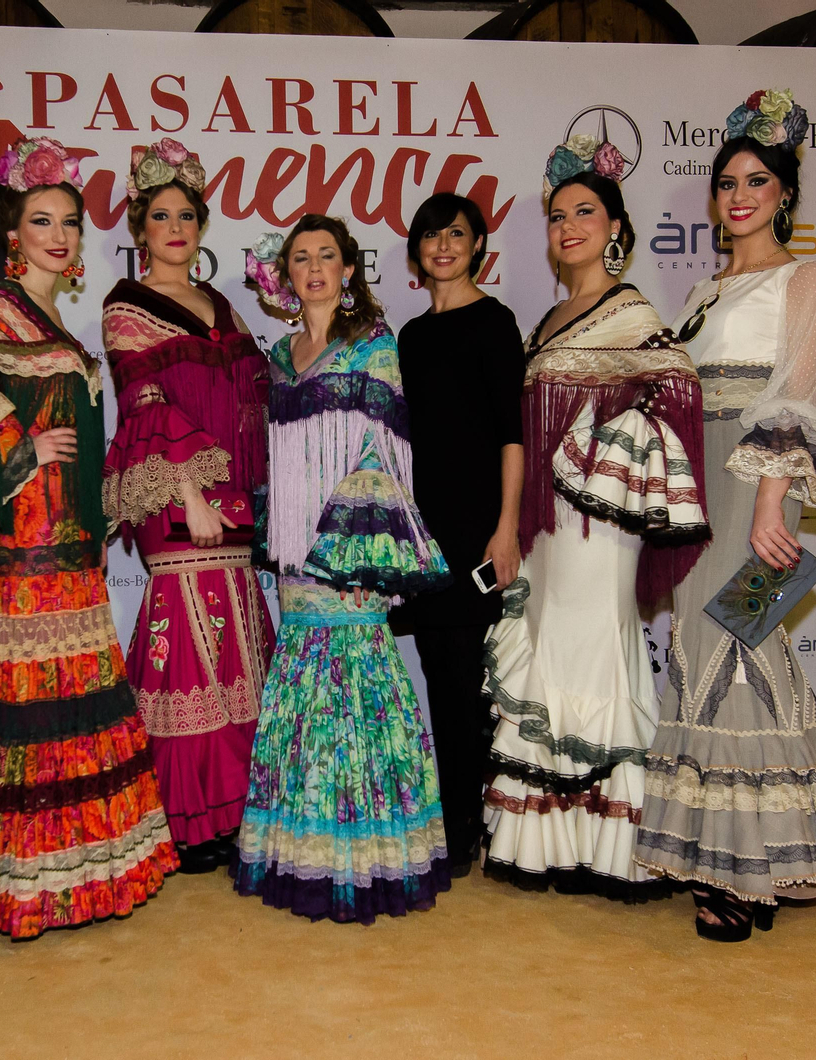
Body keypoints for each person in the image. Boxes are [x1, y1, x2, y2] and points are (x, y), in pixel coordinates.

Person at [633, 89, 816, 941]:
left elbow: (798, 392)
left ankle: (739, 873)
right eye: (727, 183)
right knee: (714, 651)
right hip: (696, 490)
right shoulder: (702, 291)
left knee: (735, 649)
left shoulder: (803, 277)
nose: (739, 196)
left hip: (755, 487)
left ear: (784, 192)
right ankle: (771, 858)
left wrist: (773, 499)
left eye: (756, 181)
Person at [0, 136, 178, 940]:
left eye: (69, 223)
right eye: (41, 221)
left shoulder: (52, 320)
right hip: (25, 556)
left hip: (71, 558)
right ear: (12, 235)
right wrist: (20, 450)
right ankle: (25, 884)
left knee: (78, 706)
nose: (59, 236)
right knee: (29, 715)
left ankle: (89, 873)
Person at [479, 139, 708, 902]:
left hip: (597, 527)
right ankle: (549, 842)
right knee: (550, 653)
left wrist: (600, 453)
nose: (568, 226)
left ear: (615, 227)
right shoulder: (548, 319)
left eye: (584, 212)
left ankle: (613, 849)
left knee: (598, 657)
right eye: (557, 216)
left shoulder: (632, 310)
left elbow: (679, 394)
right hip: (546, 531)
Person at [236, 214, 452, 924]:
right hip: (295, 550)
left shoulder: (373, 345)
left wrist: (359, 546)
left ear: (348, 269)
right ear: (287, 276)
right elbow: (277, 457)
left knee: (358, 678)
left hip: (351, 546)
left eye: (326, 255)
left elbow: (385, 452)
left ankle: (368, 858)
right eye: (301, 258)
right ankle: (303, 851)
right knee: (302, 683)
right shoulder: (280, 355)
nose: (314, 268)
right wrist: (282, 534)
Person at [101, 139, 274, 874]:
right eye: (160, 216)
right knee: (190, 646)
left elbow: (251, 399)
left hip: (235, 502)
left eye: (187, 216)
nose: (175, 228)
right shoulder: (127, 305)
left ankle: (236, 810)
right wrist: (190, 492)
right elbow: (144, 402)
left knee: (238, 645)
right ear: (139, 228)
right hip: (177, 495)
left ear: (202, 227)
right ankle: (185, 817)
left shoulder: (220, 304)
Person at [391, 192, 524, 877]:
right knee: (440, 675)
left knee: (470, 681)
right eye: (431, 235)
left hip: (477, 529)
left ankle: (468, 827)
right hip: (423, 530)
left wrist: (506, 529)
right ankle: (454, 820)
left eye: (457, 234)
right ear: (417, 251)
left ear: (477, 247)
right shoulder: (410, 336)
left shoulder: (495, 322)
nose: (444, 246)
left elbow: (511, 436)